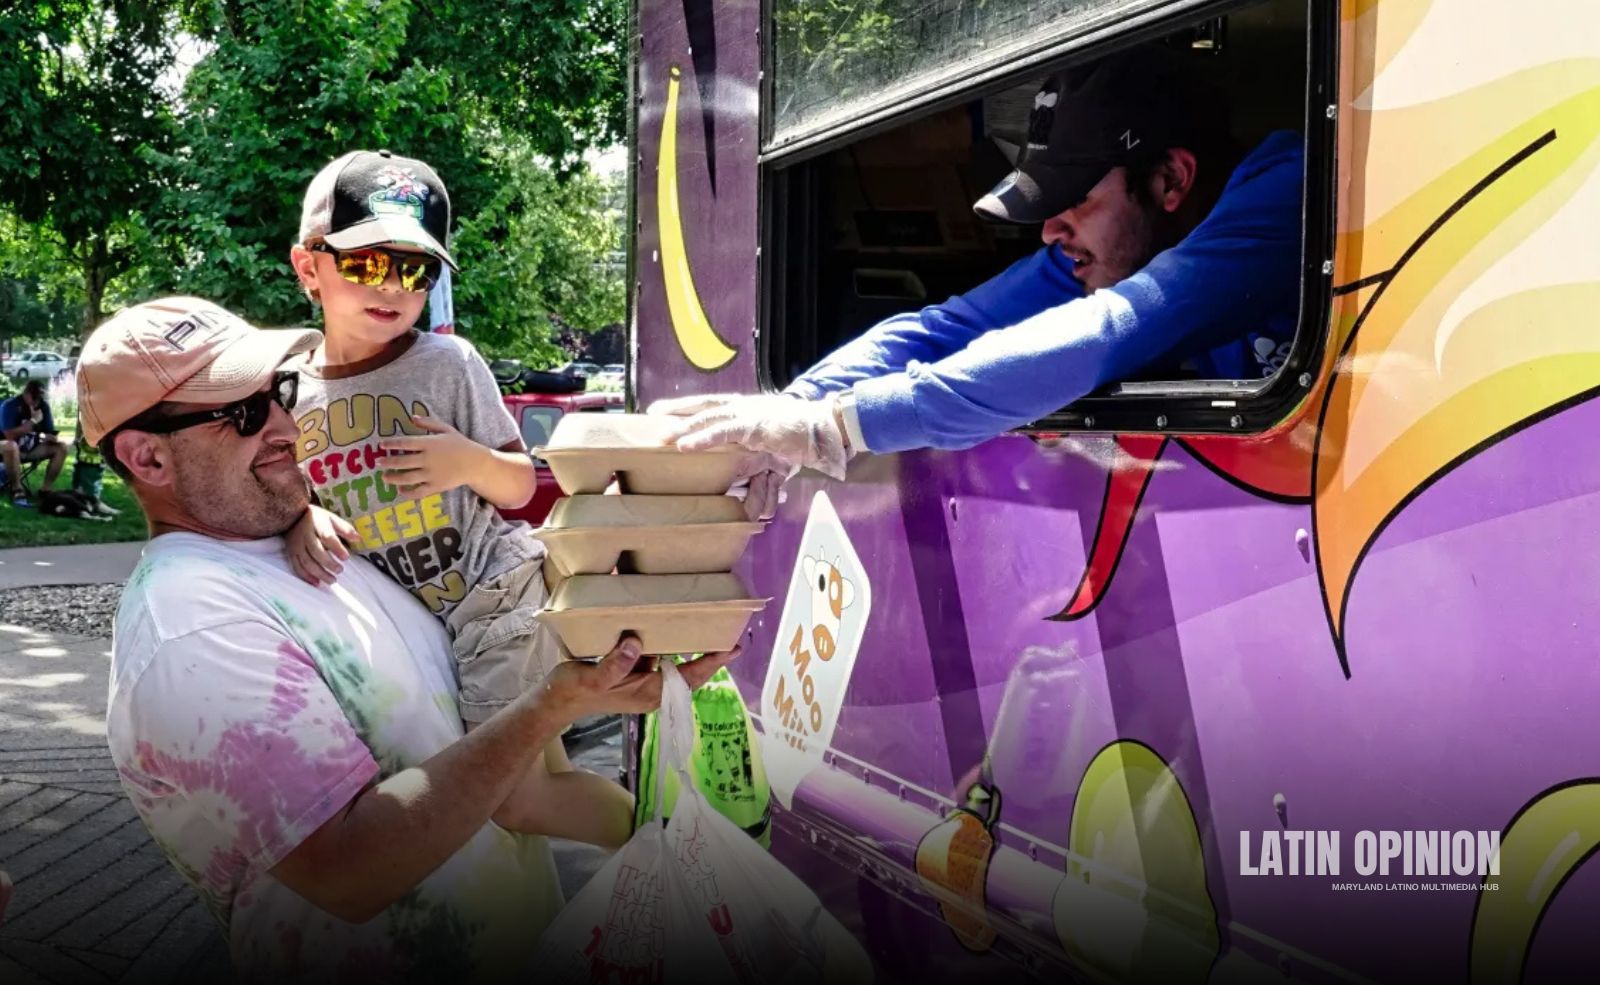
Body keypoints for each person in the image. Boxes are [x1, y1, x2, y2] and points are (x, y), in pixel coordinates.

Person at [80, 297, 738, 983]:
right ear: (147, 457)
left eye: (280, 393)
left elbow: (466, 720)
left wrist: (597, 675)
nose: (285, 426)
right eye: (243, 413)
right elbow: (347, 869)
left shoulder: (313, 543)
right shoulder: (192, 622)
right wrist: (553, 703)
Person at [653, 44, 1304, 518]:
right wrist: (792, 415)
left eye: (1076, 198)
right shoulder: (1118, 245)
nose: (1049, 232)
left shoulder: (1286, 196)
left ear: (1171, 180)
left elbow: (1113, 329)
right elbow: (945, 330)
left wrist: (837, 426)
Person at [282, 150, 636, 852]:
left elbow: (518, 485)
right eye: (366, 263)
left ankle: (682, 848)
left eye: (416, 269)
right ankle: (676, 841)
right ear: (308, 267)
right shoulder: (287, 389)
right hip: (426, 625)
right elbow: (284, 489)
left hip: (493, 599)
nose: (392, 285)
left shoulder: (447, 363)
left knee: (516, 798)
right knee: (544, 768)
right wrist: (301, 514)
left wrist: (467, 462)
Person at [1, 379, 69, 506]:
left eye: (40, 398)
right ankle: (17, 489)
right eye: (35, 397)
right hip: (6, 450)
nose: (37, 401)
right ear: (26, 393)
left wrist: (50, 437)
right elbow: (9, 435)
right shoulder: (10, 405)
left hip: (30, 449)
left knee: (62, 447)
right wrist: (33, 421)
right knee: (11, 446)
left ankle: (45, 489)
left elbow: (48, 431)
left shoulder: (43, 406)